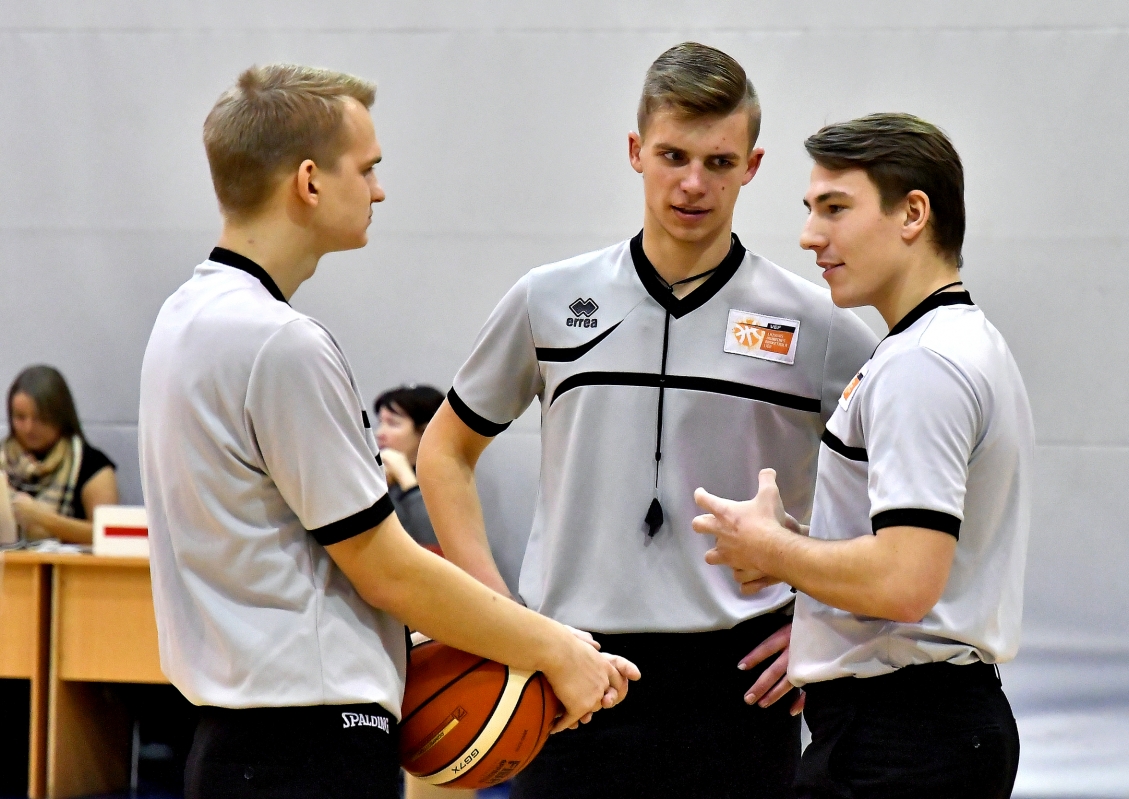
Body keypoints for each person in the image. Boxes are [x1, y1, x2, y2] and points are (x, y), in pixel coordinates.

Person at [138, 63, 637, 799]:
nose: (379, 190)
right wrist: (555, 648)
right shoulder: (280, 343)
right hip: (307, 747)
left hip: (233, 739)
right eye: (367, 168)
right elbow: (385, 566)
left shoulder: (182, 319)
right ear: (310, 181)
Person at [418, 43, 878, 799]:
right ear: (636, 152)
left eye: (719, 162)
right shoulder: (548, 299)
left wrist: (831, 619)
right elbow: (444, 453)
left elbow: (910, 498)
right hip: (573, 675)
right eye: (673, 156)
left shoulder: (817, 325)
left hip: (739, 688)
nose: (694, 183)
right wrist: (500, 619)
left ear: (753, 166)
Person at [694, 113, 1031, 798]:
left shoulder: (923, 364)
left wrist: (774, 550)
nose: (809, 235)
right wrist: (793, 545)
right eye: (810, 209)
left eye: (835, 208)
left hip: (903, 738)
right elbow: (912, 558)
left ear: (913, 213)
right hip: (922, 728)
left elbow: (905, 581)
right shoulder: (951, 343)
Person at [3, 365, 119, 544]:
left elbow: (108, 534)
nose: (28, 428)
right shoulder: (3, 460)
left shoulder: (92, 466)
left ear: (60, 416)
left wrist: (42, 518)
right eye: (20, 417)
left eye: (40, 418)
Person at [374, 384, 443, 549]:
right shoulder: (381, 478)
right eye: (380, 423)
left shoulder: (447, 482)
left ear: (425, 431)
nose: (379, 434)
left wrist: (407, 479)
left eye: (393, 424)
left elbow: (435, 543)